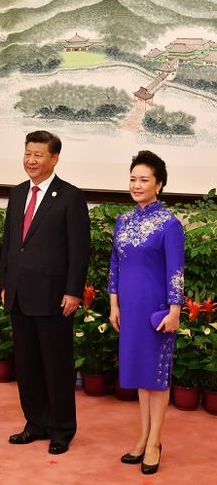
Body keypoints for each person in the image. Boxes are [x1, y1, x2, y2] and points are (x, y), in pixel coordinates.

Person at [1, 130, 90, 455]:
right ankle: (35, 423)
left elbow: (79, 251)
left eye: (38, 154)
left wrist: (73, 291)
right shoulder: (16, 193)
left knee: (56, 365)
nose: (31, 160)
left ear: (54, 158)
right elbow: (11, 244)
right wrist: (5, 282)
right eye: (27, 153)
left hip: (54, 296)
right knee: (26, 365)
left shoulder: (70, 197)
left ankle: (62, 428)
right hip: (20, 295)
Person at [108, 150, 184, 475]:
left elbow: (176, 271)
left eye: (144, 180)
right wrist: (114, 304)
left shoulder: (170, 225)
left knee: (156, 378)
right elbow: (114, 264)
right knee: (140, 378)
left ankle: (154, 442)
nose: (136, 185)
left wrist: (175, 310)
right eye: (133, 179)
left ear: (160, 184)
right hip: (129, 310)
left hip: (157, 311)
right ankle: (141, 437)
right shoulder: (122, 221)